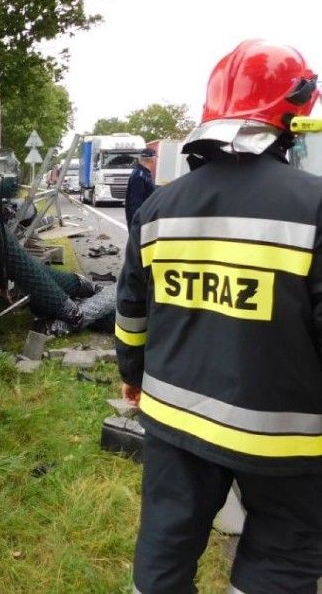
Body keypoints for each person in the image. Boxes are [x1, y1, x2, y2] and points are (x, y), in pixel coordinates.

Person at [115, 39, 322, 594]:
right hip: (285, 439)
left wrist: (133, 378)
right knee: (281, 558)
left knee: (165, 544)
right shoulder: (314, 207)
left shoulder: (159, 207)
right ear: (295, 113)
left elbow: (133, 310)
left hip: (175, 420)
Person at [124, 148, 156, 226]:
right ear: (152, 159)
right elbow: (136, 201)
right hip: (140, 220)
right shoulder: (140, 176)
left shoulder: (143, 173)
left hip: (144, 217)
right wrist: (137, 222)